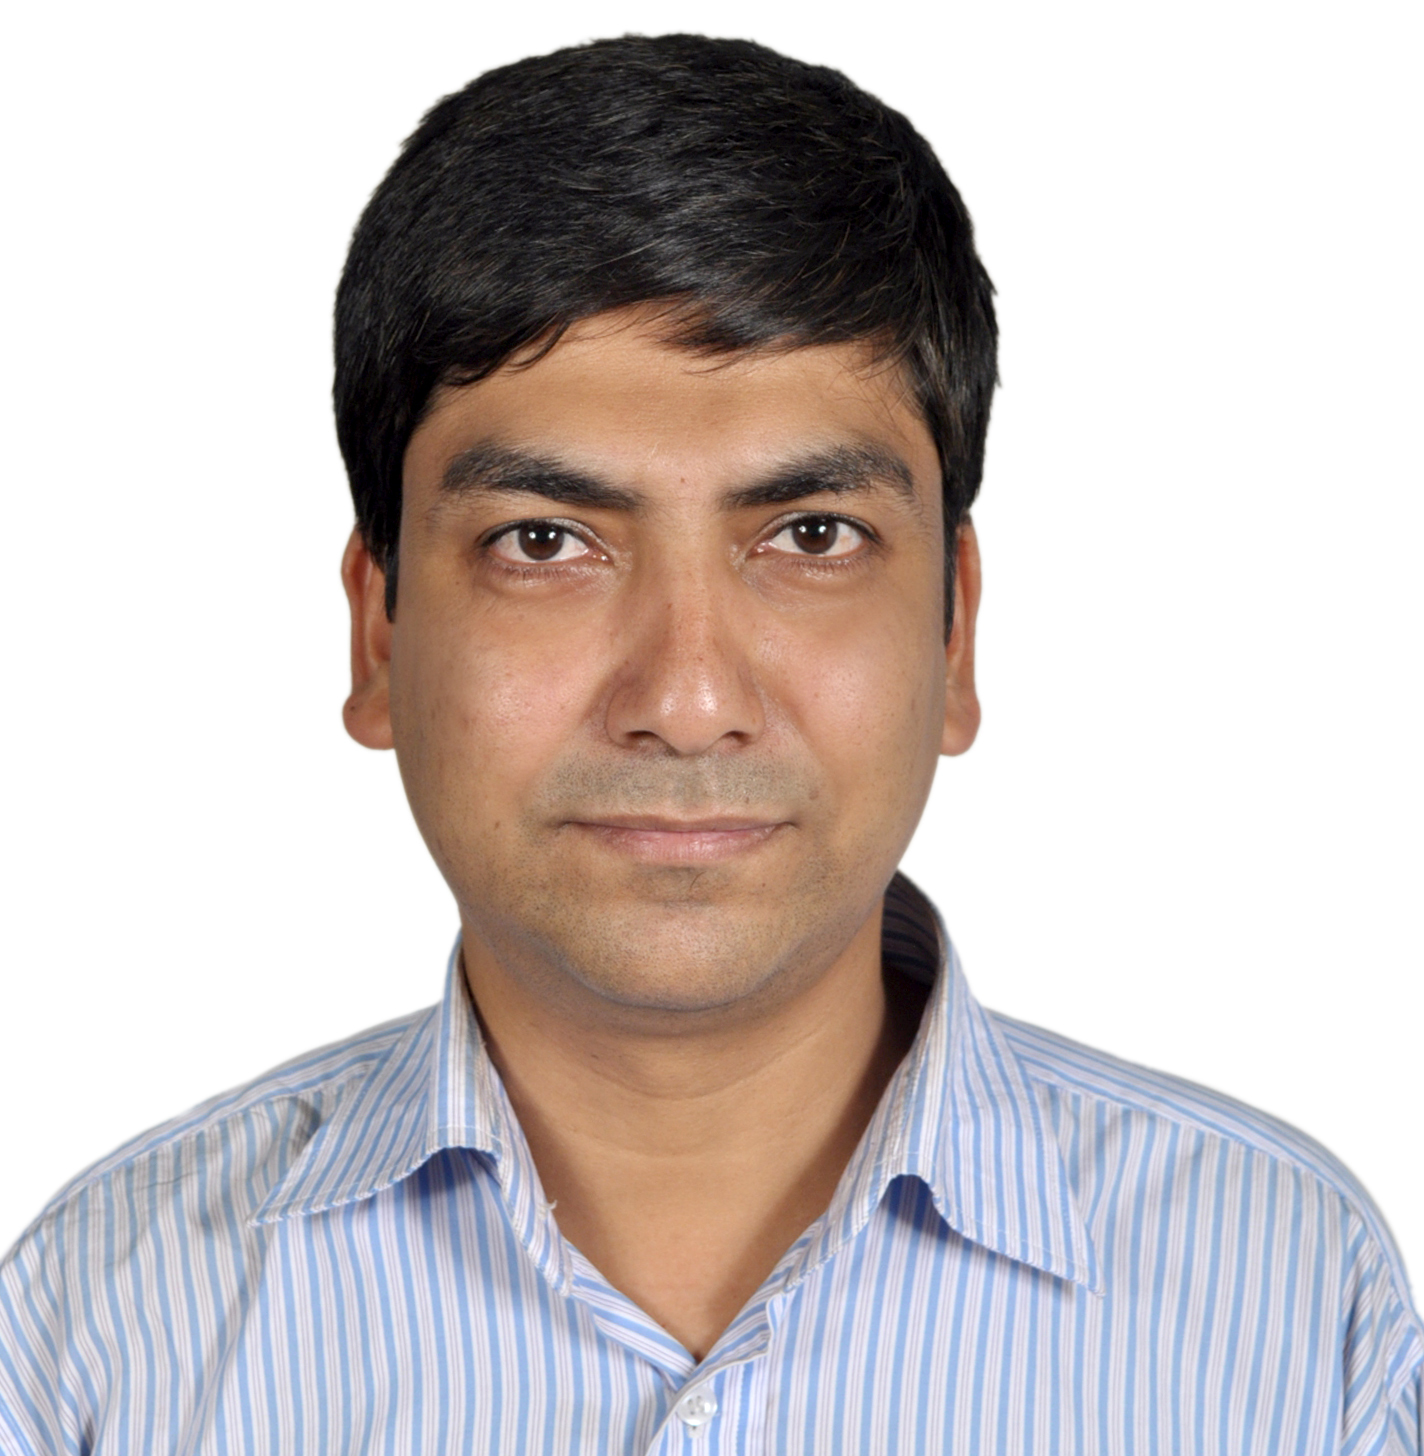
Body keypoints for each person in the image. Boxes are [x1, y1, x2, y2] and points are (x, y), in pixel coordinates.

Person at [0, 32, 1418, 1456]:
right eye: (544, 543)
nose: (685, 702)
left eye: (812, 534)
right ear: (380, 633)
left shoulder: (1295, 1307)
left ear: (954, 633)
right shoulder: (100, 1330)